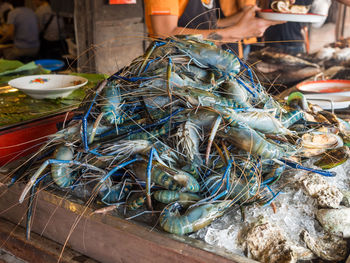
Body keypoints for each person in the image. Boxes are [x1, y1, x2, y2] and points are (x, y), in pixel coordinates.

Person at [144, 0, 284, 42]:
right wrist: (235, 33)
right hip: (174, 71)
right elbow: (165, 33)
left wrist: (256, 16)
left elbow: (209, 25)